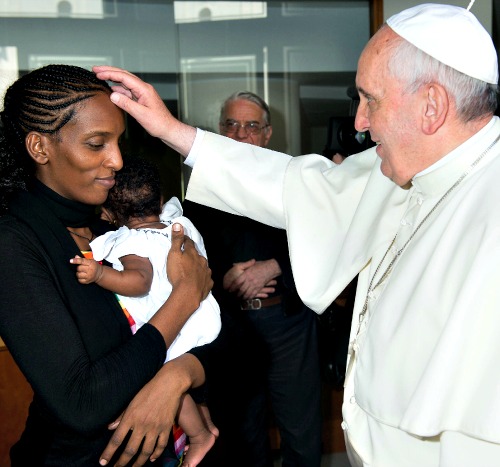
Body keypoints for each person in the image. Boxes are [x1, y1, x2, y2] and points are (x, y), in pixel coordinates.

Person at [93, 3, 500, 465]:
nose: (360, 123)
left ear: (431, 106)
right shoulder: (404, 166)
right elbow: (295, 184)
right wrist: (172, 130)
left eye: (372, 99)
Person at [0, 63, 222, 467]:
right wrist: (184, 297)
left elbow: (229, 338)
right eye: (97, 143)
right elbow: (83, 403)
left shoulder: (111, 221)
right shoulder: (13, 242)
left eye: (118, 141)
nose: (118, 161)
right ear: (39, 148)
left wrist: (176, 379)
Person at [183, 92, 322, 466]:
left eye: (251, 126)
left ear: (267, 134)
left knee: (301, 431)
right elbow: (191, 253)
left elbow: (326, 240)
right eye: (231, 124)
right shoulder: (200, 191)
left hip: (287, 323)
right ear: (219, 131)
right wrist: (222, 276)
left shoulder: (297, 180)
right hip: (232, 325)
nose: (240, 134)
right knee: (242, 433)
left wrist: (274, 266)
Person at [70, 156, 221, 466]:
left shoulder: (132, 242)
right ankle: (200, 432)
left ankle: (199, 436)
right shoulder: (179, 225)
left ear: (110, 214)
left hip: (174, 324)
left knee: (165, 382)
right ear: (161, 200)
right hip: (202, 315)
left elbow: (138, 282)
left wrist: (100, 274)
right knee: (176, 383)